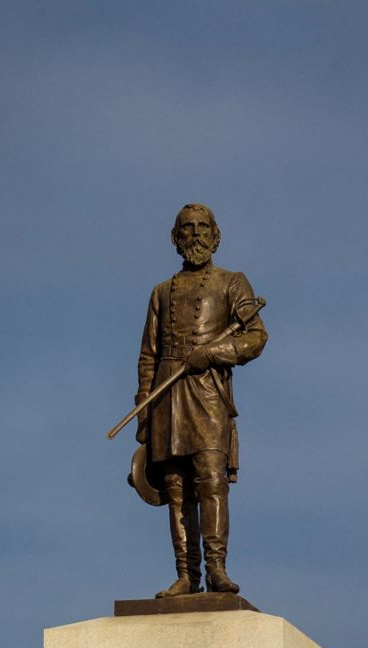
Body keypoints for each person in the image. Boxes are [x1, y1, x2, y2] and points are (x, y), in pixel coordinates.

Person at [135, 204, 267, 596]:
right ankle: (186, 574)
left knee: (210, 481)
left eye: (202, 227)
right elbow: (148, 355)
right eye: (187, 228)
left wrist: (212, 354)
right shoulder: (161, 292)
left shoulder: (232, 282)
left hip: (208, 394)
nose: (195, 234)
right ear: (176, 238)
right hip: (167, 395)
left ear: (216, 235)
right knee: (175, 488)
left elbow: (256, 337)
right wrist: (144, 409)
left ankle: (216, 569)